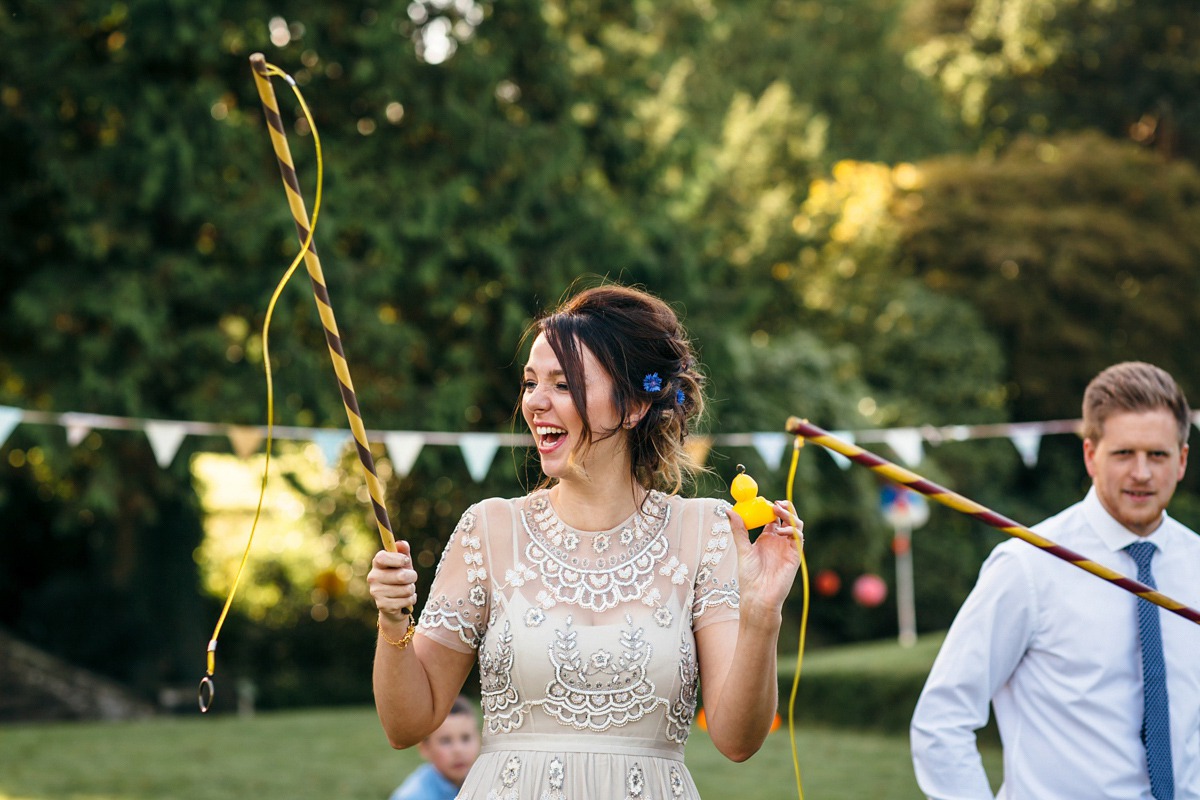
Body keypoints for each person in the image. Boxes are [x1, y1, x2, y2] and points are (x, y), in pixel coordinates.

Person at [369, 284, 802, 798]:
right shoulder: (488, 529)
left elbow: (737, 740)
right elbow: (406, 725)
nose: (536, 403)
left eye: (564, 385)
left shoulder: (705, 531)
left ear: (634, 405)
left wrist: (761, 615)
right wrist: (392, 619)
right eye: (531, 383)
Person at [911, 361, 1200, 800]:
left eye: (1157, 455)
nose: (1142, 473)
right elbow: (941, 720)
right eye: (1124, 453)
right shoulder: (1028, 563)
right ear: (1090, 455)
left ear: (1181, 461)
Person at [388, 695, 481, 800]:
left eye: (466, 738)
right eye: (445, 741)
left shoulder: (490, 783)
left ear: (479, 738)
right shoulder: (412, 796)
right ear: (424, 748)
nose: (458, 750)